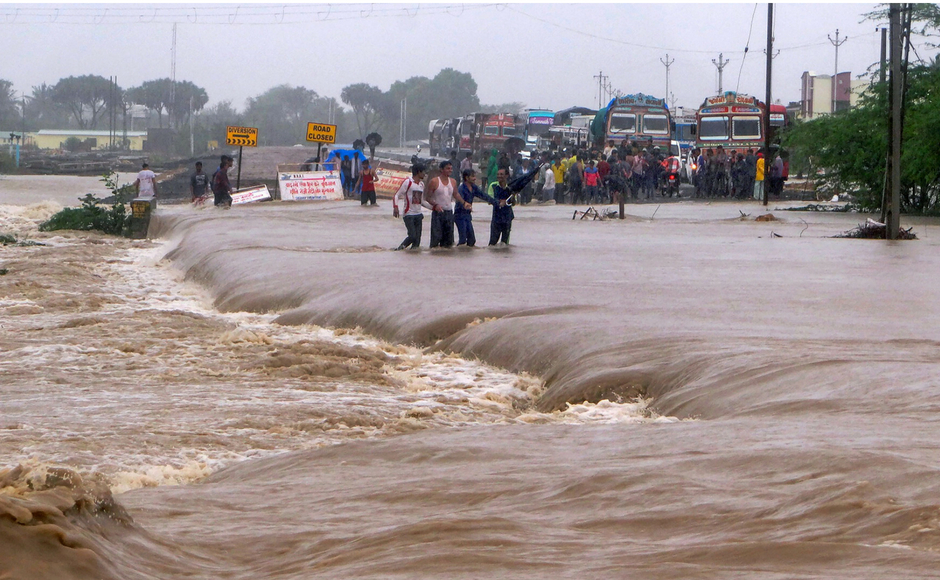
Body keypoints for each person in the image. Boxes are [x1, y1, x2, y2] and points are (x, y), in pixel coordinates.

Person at [422, 160, 461, 248]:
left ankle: (446, 259)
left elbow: (456, 194)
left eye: (451, 168)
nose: (450, 170)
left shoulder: (453, 181)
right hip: (438, 213)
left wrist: (464, 203)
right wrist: (435, 205)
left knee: (449, 240)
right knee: (436, 239)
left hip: (449, 212)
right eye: (447, 168)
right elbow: (427, 197)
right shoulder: (434, 181)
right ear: (441, 169)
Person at [454, 168, 497, 247]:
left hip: (467, 215)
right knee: (463, 240)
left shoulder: (474, 187)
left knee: (472, 240)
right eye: (473, 176)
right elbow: (459, 201)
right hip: (459, 215)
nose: (475, 178)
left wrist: (495, 202)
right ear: (467, 178)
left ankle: (466, 256)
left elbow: (483, 195)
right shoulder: (461, 189)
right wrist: (465, 206)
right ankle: (459, 255)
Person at [393, 163, 426, 250]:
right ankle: (399, 249)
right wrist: (395, 207)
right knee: (412, 236)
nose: (424, 174)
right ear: (418, 172)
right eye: (423, 172)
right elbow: (396, 195)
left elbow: (422, 202)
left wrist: (434, 207)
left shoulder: (422, 185)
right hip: (409, 214)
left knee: (417, 241)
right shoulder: (408, 182)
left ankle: (413, 257)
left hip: (418, 214)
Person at [488, 168, 515, 245]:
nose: (499, 176)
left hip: (507, 218)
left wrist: (512, 198)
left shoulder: (511, 187)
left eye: (501, 174)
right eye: (498, 174)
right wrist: (500, 202)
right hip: (496, 218)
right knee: (492, 244)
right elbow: (490, 200)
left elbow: (513, 203)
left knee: (505, 244)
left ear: (506, 176)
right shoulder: (493, 186)